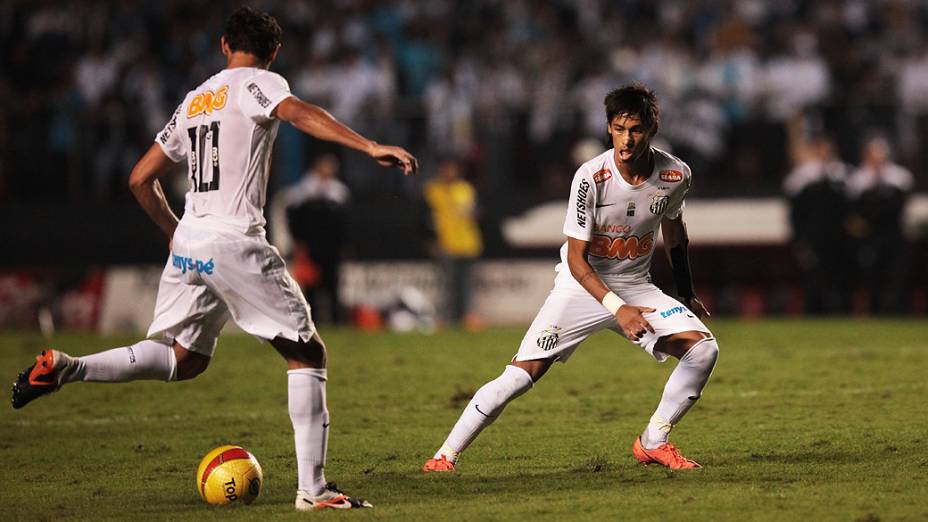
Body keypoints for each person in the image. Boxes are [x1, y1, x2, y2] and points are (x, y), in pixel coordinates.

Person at [11, 7, 417, 511]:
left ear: (224, 45)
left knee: (184, 360)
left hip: (191, 241)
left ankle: (68, 367)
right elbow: (298, 112)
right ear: (274, 53)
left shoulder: (194, 99)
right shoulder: (259, 84)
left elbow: (140, 178)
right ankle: (314, 492)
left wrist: (174, 233)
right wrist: (368, 143)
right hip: (234, 240)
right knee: (306, 354)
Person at [423, 84, 718, 473]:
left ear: (652, 129)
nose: (626, 139)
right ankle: (445, 456)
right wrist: (619, 309)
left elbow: (674, 230)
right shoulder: (590, 177)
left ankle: (653, 441)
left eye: (635, 130)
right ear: (609, 128)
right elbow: (578, 262)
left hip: (637, 287)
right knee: (520, 377)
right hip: (581, 287)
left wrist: (685, 292)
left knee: (703, 349)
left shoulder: (675, 174)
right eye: (618, 128)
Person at [782, 136, 852, 314]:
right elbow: (794, 209)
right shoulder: (803, 177)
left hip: (838, 235)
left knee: (838, 275)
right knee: (814, 275)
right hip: (813, 235)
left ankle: (841, 310)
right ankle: (814, 311)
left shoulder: (843, 173)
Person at [846, 137, 914, 314]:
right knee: (872, 276)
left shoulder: (899, 176)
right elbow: (853, 214)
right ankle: (875, 310)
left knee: (896, 275)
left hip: (893, 234)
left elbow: (900, 205)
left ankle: (898, 311)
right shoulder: (857, 179)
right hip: (870, 236)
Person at [284, 153, 350, 324]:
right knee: (311, 286)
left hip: (332, 247)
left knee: (333, 285)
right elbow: (294, 220)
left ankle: (336, 322)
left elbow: (344, 224)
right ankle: (312, 323)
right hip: (311, 246)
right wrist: (298, 243)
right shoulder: (301, 191)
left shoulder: (338, 191)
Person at [423, 157, 483, 328]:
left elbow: (477, 212)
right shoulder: (432, 190)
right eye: (446, 169)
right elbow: (424, 218)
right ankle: (445, 319)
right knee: (447, 286)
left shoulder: (465, 189)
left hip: (469, 243)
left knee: (467, 287)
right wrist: (430, 240)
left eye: (452, 169)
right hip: (446, 244)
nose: (449, 172)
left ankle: (466, 317)